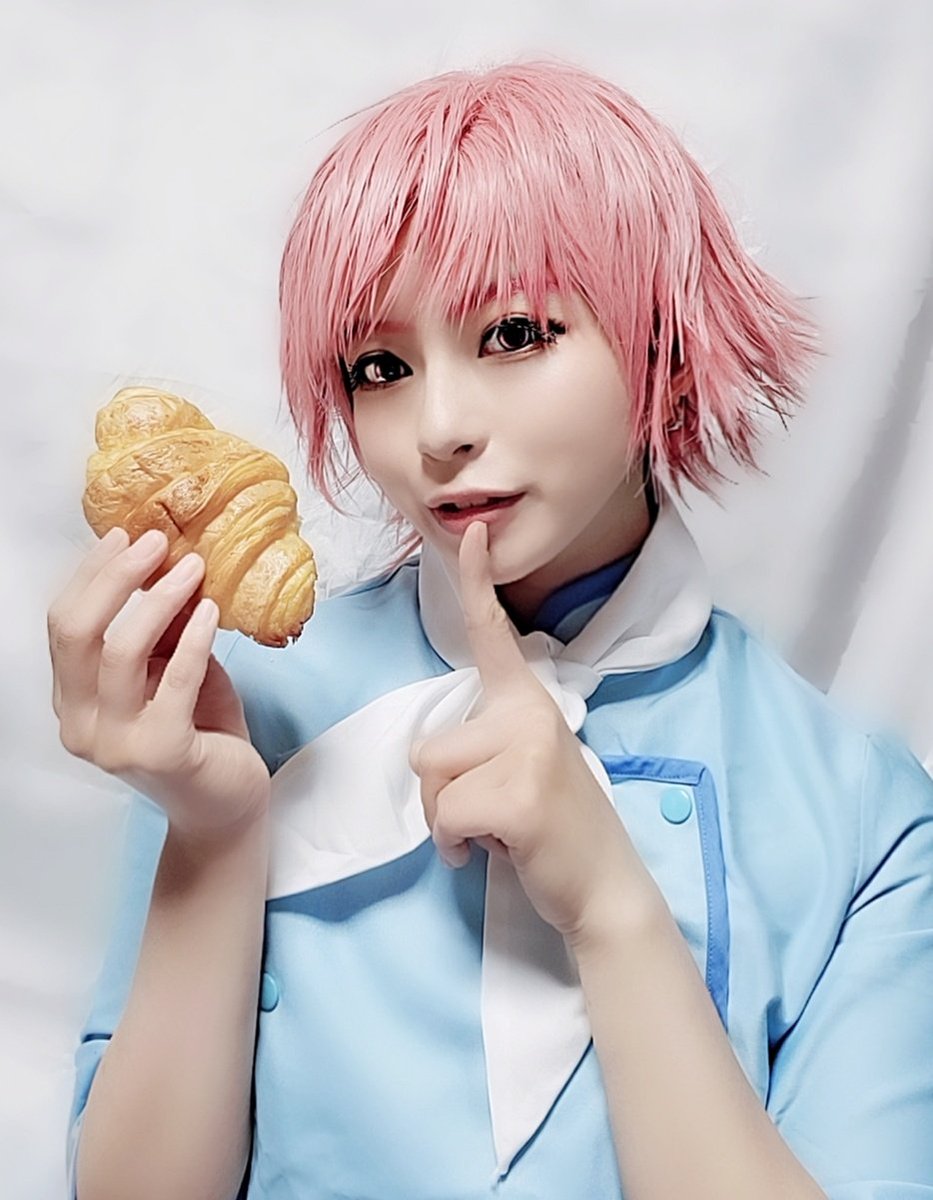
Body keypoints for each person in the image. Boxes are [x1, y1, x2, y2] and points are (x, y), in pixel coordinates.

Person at [50, 60, 933, 1200]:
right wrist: (216, 836)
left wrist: (612, 907)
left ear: (664, 349)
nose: (439, 426)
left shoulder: (865, 820)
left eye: (514, 333)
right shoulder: (233, 707)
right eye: (380, 366)